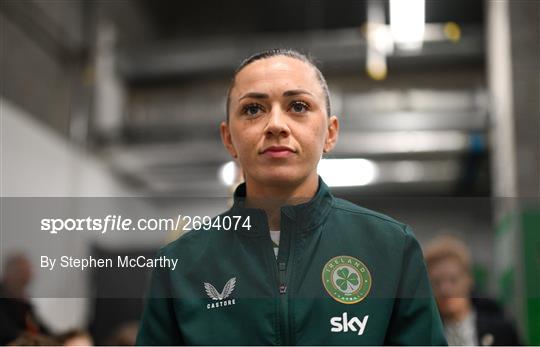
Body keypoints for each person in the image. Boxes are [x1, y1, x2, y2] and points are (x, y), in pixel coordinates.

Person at [136, 48, 447, 345]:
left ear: (330, 133)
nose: (275, 125)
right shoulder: (180, 265)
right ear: (229, 138)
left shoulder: (391, 247)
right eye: (253, 109)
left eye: (298, 106)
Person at [424, 235, 522, 346]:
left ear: (469, 279)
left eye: (453, 280)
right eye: (437, 282)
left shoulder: (502, 331)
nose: (445, 290)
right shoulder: (423, 337)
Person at [0, 253, 51, 345]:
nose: (26, 278)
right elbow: (7, 332)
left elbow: (41, 329)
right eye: (21, 273)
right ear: (9, 273)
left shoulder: (23, 303)